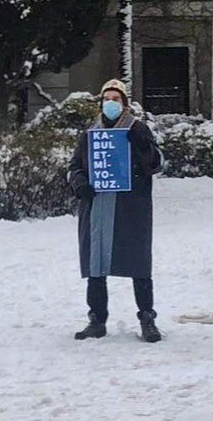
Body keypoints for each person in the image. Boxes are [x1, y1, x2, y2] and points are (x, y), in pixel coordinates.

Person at [67, 79, 164, 343]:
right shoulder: (90, 132)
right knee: (95, 262)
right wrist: (79, 184)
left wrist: (144, 146)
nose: (111, 103)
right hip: (97, 206)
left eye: (116, 99)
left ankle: (147, 318)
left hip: (130, 207)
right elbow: (75, 164)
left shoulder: (137, 128)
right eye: (106, 98)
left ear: (124, 103)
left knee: (137, 261)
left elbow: (156, 164)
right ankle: (96, 319)